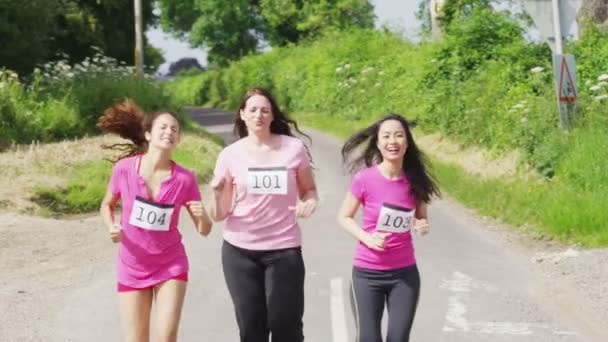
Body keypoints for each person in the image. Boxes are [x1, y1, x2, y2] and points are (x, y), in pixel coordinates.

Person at [209, 87, 318, 342]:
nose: (259, 115)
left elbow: (309, 190)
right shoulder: (230, 155)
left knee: (285, 326)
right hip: (239, 251)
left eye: (265, 110)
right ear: (242, 115)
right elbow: (219, 214)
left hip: (283, 249)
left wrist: (309, 202)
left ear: (272, 116)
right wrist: (215, 194)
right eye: (253, 110)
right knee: (251, 328)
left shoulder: (293, 148)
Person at [98, 98, 212, 342]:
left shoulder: (185, 179)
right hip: (132, 265)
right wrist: (112, 226)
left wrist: (204, 216)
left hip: (170, 265)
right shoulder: (124, 169)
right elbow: (106, 205)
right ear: (148, 134)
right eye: (163, 127)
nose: (169, 132)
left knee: (166, 337)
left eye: (174, 129)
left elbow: (204, 230)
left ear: (178, 139)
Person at [336, 113, 440, 342]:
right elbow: (344, 217)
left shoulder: (416, 181)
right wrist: (367, 237)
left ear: (407, 142)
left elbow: (421, 217)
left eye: (399, 135)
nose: (393, 141)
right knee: (368, 338)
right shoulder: (364, 179)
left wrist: (422, 225)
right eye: (386, 136)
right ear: (378, 143)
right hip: (367, 274)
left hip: (404, 275)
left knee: (398, 338)